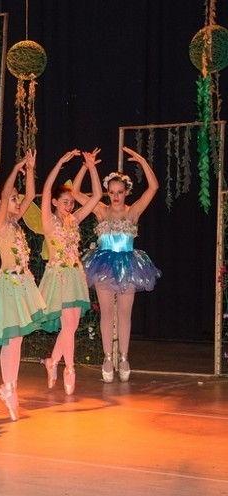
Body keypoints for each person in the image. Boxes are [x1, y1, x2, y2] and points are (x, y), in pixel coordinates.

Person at [72, 146, 160, 382]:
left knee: (124, 313)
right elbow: (75, 191)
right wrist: (85, 166)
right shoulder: (100, 210)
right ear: (107, 192)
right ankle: (107, 357)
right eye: (112, 192)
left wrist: (142, 160)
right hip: (102, 265)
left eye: (120, 192)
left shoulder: (133, 213)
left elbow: (153, 187)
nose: (116, 196)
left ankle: (124, 357)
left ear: (126, 192)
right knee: (107, 313)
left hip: (128, 266)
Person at [0, 150, 46, 420]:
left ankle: (10, 388)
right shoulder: (1, 224)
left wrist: (30, 171)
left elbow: (30, 196)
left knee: (16, 340)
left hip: (21, 283)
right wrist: (15, 169)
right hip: (8, 286)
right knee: (11, 340)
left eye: (16, 198)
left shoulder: (15, 223)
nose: (17, 202)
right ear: (0, 203)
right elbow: (7, 197)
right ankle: (8, 388)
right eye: (11, 198)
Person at [39, 149, 102, 395]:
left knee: (71, 326)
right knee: (67, 325)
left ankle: (52, 361)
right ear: (55, 203)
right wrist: (58, 163)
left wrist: (90, 166)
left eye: (71, 202)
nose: (69, 205)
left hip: (74, 275)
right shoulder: (48, 221)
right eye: (65, 201)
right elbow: (45, 190)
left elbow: (96, 195)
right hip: (58, 277)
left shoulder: (74, 220)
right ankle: (70, 368)